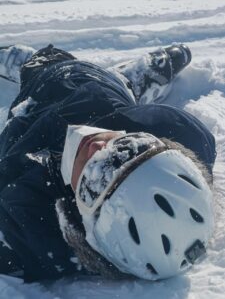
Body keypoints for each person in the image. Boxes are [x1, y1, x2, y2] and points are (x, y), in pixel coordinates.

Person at [0, 44, 216, 282]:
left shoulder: (28, 228)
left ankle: (25, 61)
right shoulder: (179, 133)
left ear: (82, 222)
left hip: (38, 92)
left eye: (97, 177)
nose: (97, 147)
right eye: (128, 147)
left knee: (38, 66)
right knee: (116, 82)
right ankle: (137, 76)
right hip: (101, 88)